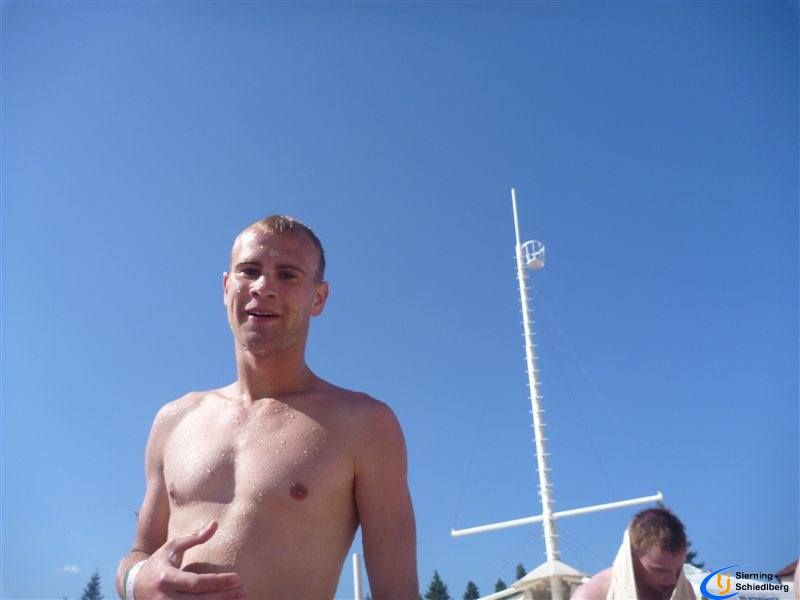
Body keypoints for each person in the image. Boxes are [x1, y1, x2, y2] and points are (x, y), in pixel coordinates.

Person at [116, 216, 418, 600]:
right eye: (249, 271)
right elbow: (139, 554)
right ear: (227, 287)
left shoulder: (365, 424)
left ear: (319, 298)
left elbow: (398, 593)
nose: (263, 287)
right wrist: (136, 580)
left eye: (288, 274)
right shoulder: (174, 419)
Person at [571, 507, 695, 600]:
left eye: (678, 569)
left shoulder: (684, 590)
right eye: (661, 570)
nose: (672, 580)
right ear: (632, 556)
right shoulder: (593, 595)